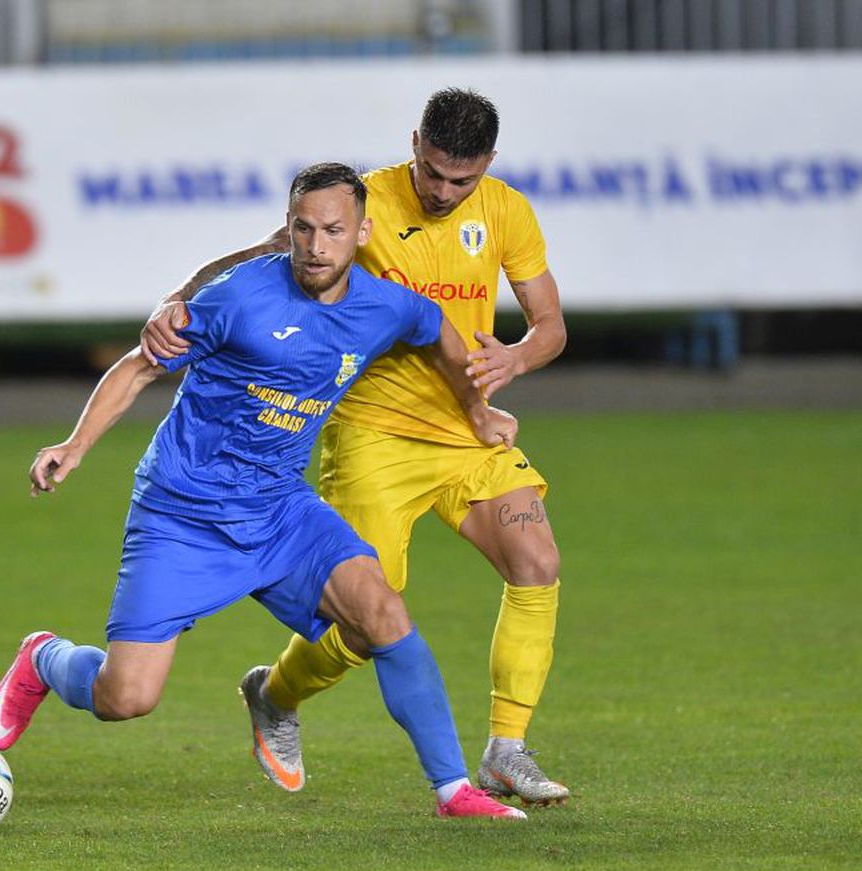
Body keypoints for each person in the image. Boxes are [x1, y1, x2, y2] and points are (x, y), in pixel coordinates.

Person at [0, 163, 527, 820]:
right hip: (182, 514)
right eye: (303, 228)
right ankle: (43, 659)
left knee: (381, 610)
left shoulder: (382, 307)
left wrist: (475, 407)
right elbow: (137, 368)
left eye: (332, 230)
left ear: (363, 233)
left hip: (278, 511)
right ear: (287, 228)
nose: (316, 245)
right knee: (125, 697)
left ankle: (453, 790)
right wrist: (73, 446)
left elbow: (437, 329)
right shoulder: (241, 298)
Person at [141, 89, 569, 805]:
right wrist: (172, 301)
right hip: (372, 434)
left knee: (539, 560)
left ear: (487, 165)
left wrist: (515, 361)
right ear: (414, 145)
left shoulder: (506, 211)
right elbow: (260, 258)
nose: (441, 191)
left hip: (467, 429)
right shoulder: (361, 204)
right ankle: (274, 694)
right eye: (431, 172)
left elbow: (550, 323)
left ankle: (506, 749)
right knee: (367, 622)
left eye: (460, 180)